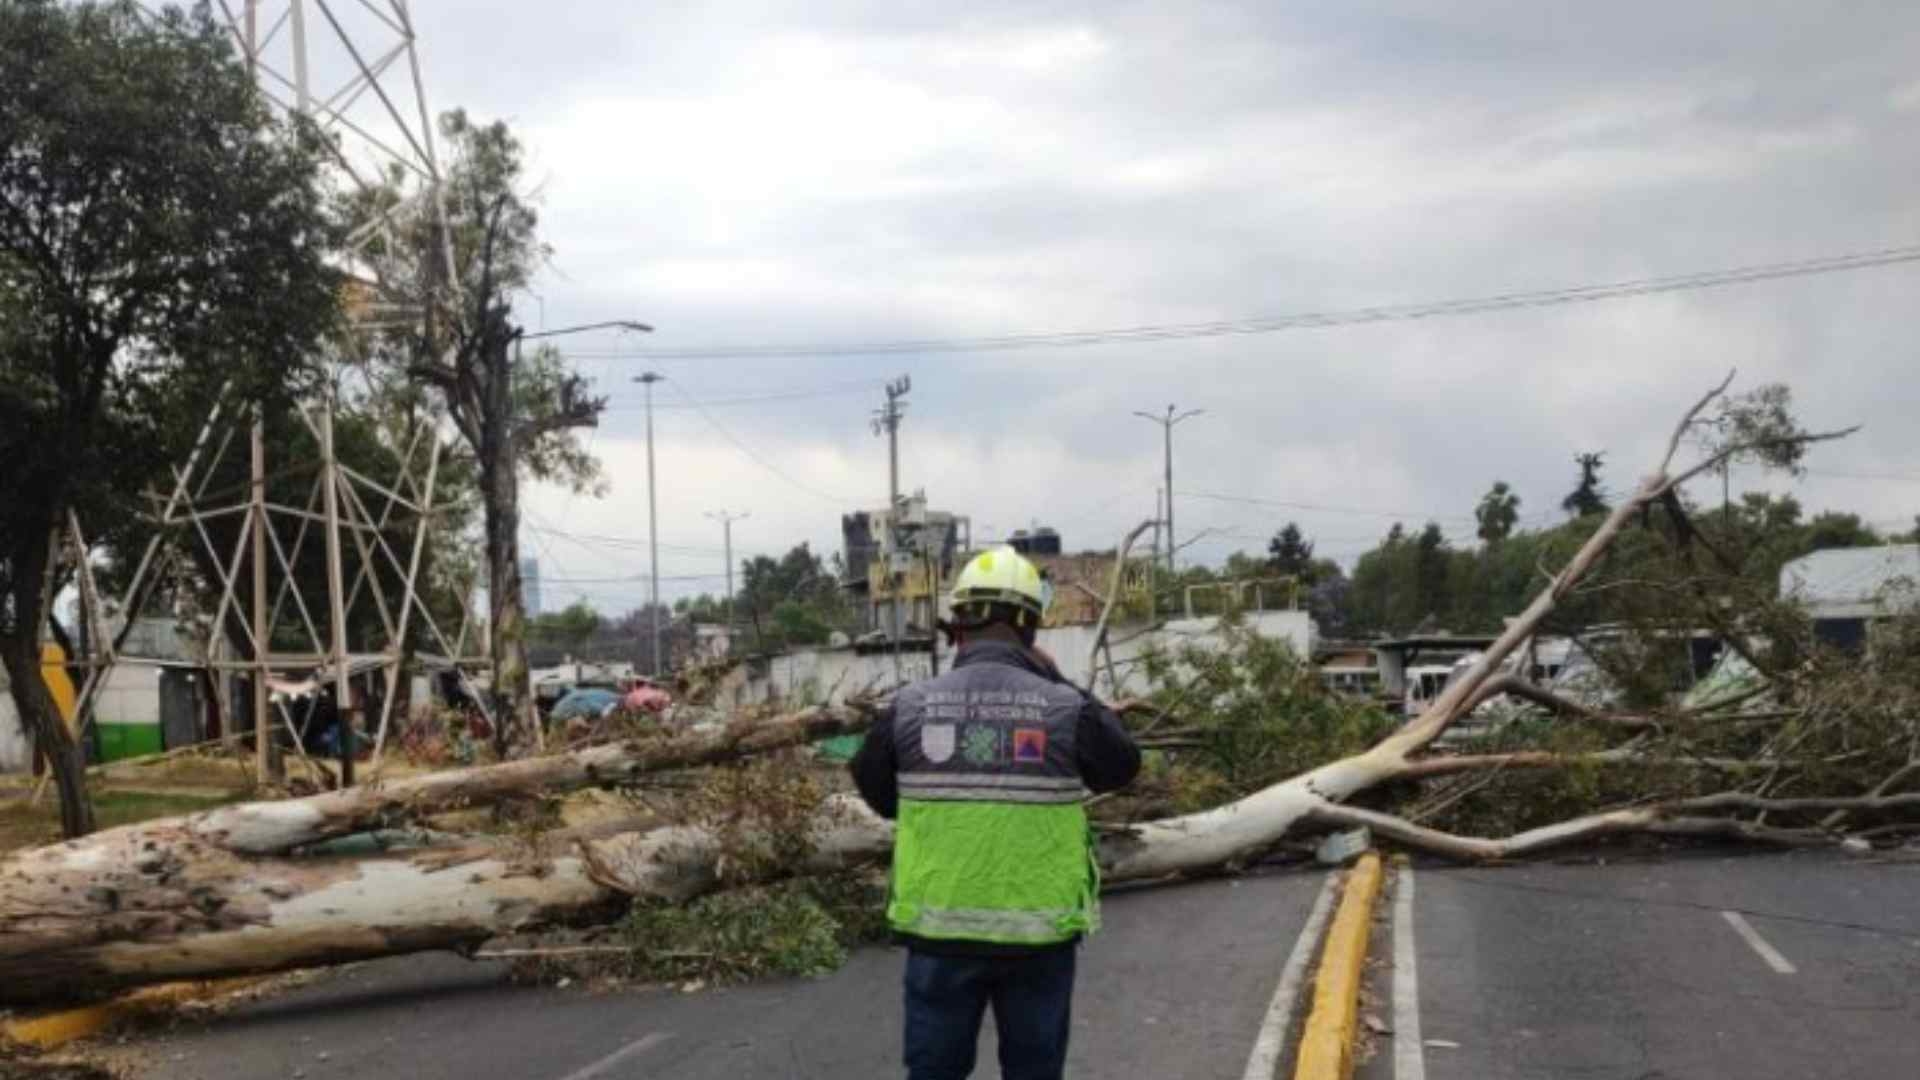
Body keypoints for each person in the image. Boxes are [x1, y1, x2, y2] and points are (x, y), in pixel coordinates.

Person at [851, 545, 1142, 1080]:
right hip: (1038, 941)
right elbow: (1120, 765)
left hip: (939, 934)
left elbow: (878, 792)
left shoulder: (909, 708)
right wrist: (1061, 682)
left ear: (958, 621)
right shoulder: (1064, 707)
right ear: (1031, 625)